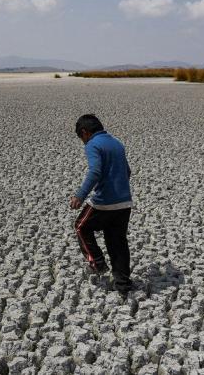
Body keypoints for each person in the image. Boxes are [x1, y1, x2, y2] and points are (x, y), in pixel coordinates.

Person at [70, 114, 133, 296]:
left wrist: (80, 195)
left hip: (104, 202)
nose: (82, 142)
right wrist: (119, 188)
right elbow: (127, 171)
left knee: (81, 227)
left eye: (81, 138)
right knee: (117, 242)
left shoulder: (93, 144)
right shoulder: (116, 142)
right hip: (124, 202)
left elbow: (95, 171)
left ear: (85, 132)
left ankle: (97, 263)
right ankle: (123, 287)